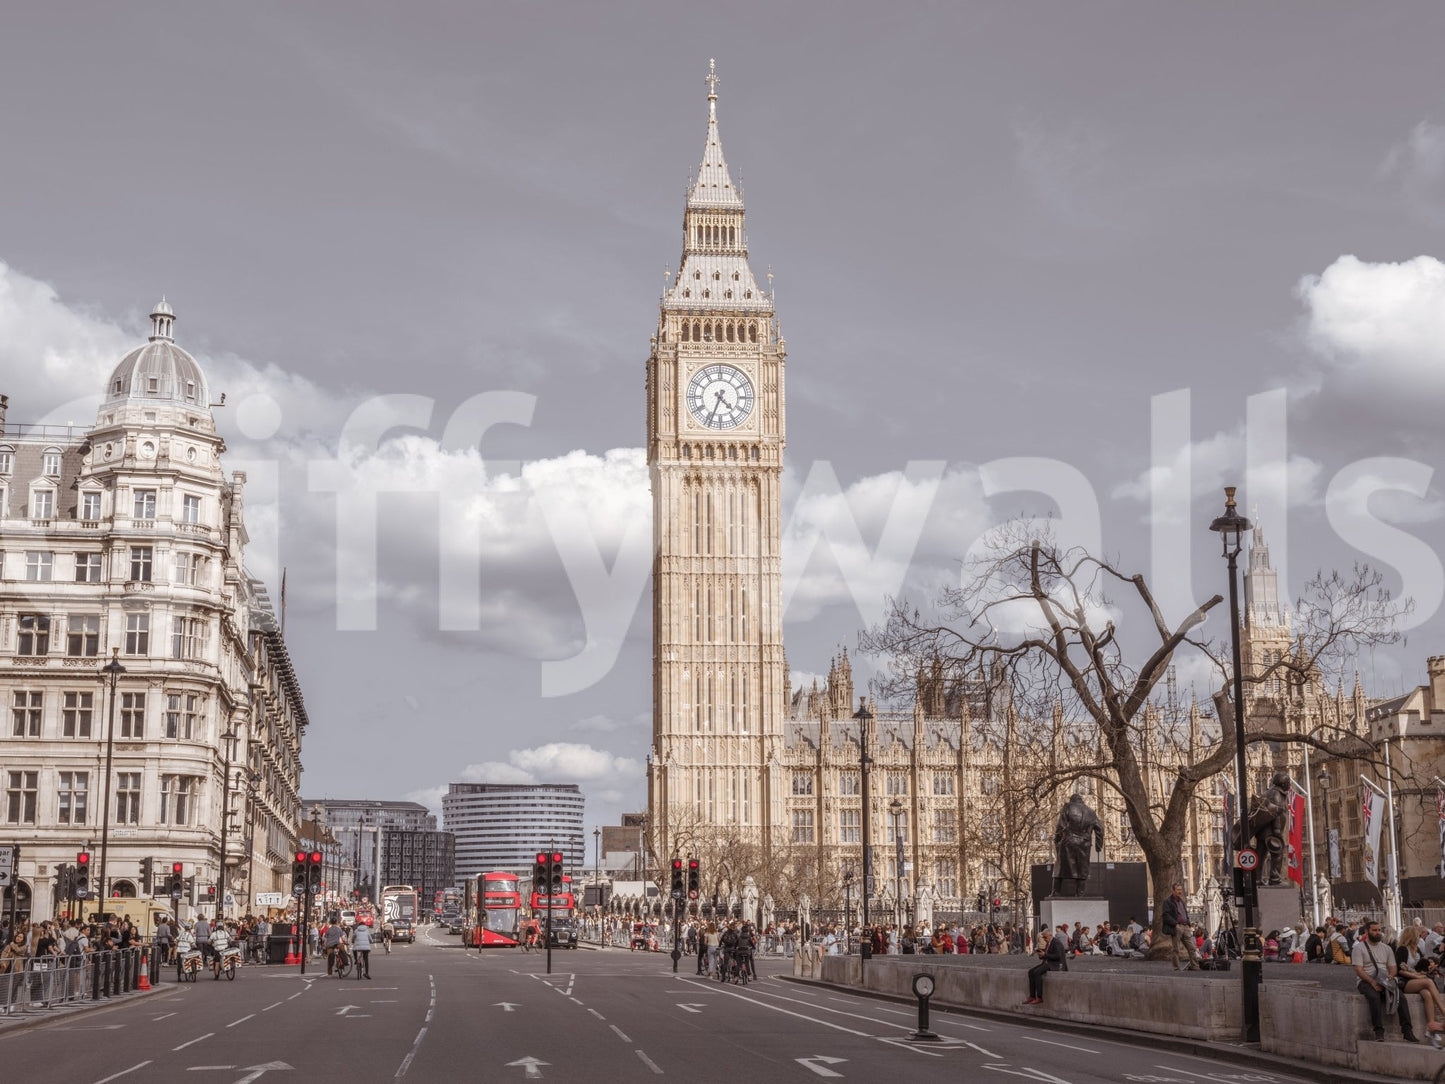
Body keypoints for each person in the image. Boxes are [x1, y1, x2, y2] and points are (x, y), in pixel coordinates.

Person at [1354, 918, 1418, 1042]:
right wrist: (1373, 982)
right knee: (1374, 997)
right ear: (1367, 932)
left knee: (1401, 997)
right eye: (1374, 930)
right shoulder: (1359, 948)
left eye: (1379, 930)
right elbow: (1359, 970)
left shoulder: (1387, 949)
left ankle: (1407, 1031)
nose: (1378, 932)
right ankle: (1379, 1031)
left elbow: (1393, 968)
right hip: (1366, 980)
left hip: (1384, 978)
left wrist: (1388, 979)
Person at [1395, 926, 1445, 1034]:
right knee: (1428, 982)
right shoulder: (1402, 949)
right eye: (1416, 935)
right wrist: (1417, 976)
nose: (1419, 937)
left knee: (1427, 994)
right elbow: (1400, 970)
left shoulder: (1416, 949)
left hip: (1415, 978)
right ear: (1411, 936)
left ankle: (1431, 1025)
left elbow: (1420, 965)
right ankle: (1443, 1011)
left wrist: (1429, 967)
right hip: (1405, 980)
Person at [1025, 923, 1069, 1004]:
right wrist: (1041, 955)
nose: (1044, 939)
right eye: (1043, 937)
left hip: (1056, 964)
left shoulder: (1056, 942)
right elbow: (1047, 955)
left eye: (1045, 937)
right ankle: (1032, 996)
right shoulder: (1049, 943)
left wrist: (1045, 955)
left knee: (1037, 972)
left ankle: (1039, 996)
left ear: (1050, 935)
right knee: (1031, 972)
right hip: (1049, 963)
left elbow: (1058, 956)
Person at [1161, 883, 1199, 970]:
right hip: (1177, 927)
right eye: (1178, 890)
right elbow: (1165, 915)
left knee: (1191, 948)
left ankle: (1195, 966)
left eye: (1181, 890)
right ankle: (1176, 968)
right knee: (1176, 949)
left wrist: (1188, 924)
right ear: (1173, 890)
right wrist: (1175, 924)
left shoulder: (1181, 901)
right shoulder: (1168, 901)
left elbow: (1185, 913)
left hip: (1185, 927)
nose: (1180, 892)